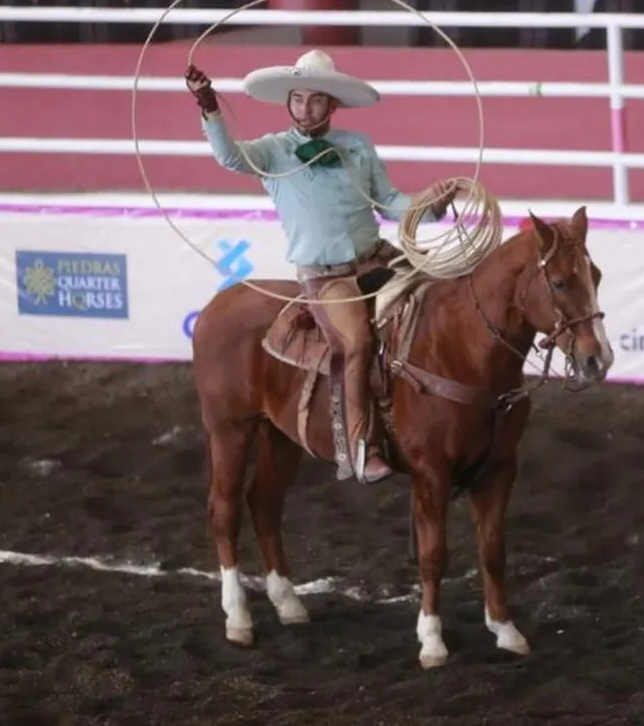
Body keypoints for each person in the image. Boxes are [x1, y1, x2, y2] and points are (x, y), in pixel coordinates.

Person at [185, 49, 457, 484]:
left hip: (377, 258)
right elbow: (230, 157)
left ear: (332, 105)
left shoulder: (357, 147)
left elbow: (387, 201)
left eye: (315, 100)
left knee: (440, 304)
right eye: (298, 99)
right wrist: (210, 108)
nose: (305, 108)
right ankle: (359, 443)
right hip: (326, 277)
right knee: (357, 342)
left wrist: (428, 206)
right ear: (289, 103)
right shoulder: (274, 151)